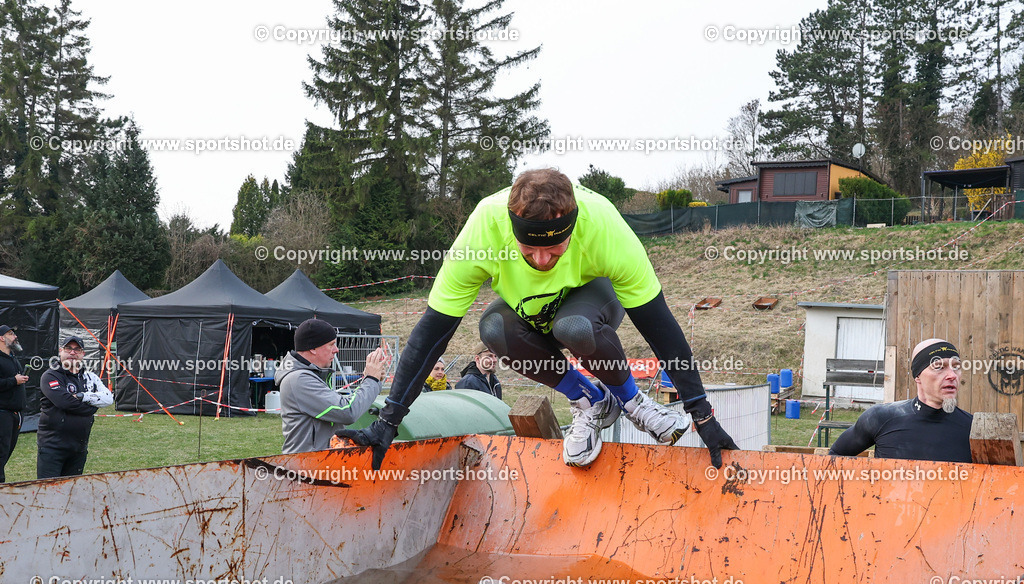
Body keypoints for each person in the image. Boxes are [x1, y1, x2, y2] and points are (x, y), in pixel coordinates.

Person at [338, 168, 737, 470]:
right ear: (511, 231)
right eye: (529, 251)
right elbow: (431, 334)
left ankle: (632, 402)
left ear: (573, 228)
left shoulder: (604, 226)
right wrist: (388, 422)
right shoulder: (483, 230)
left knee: (573, 326)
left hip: (592, 306)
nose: (543, 261)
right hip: (531, 318)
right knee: (491, 327)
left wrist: (701, 413)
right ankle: (592, 401)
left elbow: (660, 328)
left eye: (554, 249)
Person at [829, 339, 973, 462]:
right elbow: (833, 459)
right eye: (939, 367)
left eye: (956, 367)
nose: (952, 375)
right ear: (918, 376)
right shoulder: (880, 418)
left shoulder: (973, 429)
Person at [276, 318, 388, 454]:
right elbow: (347, 411)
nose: (336, 350)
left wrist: (370, 380)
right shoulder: (298, 379)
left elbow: (342, 407)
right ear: (313, 348)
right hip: (305, 469)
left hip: (318, 464)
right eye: (331, 344)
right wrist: (371, 379)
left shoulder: (310, 375)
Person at [37, 336, 113, 479]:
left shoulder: (89, 377)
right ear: (61, 351)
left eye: (77, 349)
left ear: (83, 354)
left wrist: (84, 397)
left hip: (79, 448)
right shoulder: (50, 375)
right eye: (68, 349)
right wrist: (92, 407)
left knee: (72, 492)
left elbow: (108, 398)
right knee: (48, 493)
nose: (73, 353)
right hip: (53, 447)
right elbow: (64, 402)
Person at [0, 325, 28, 482]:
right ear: (1, 338)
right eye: (10, 333)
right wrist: (13, 381)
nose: (15, 336)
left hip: (14, 415)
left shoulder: (12, 358)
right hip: (2, 414)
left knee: (5, 454)